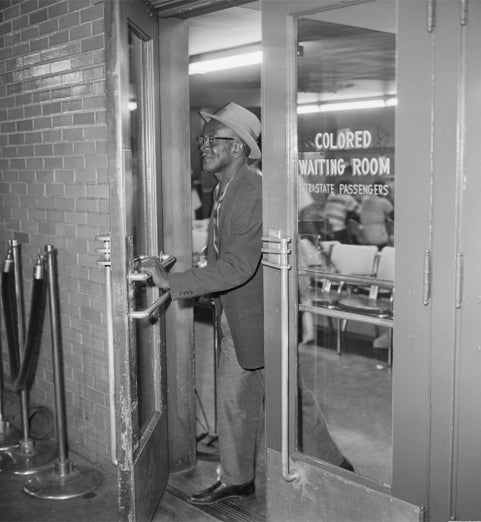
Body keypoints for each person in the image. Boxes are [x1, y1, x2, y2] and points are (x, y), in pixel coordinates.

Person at [139, 102, 352, 505]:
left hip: (262, 317)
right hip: (239, 315)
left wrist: (173, 280)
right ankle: (238, 478)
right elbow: (223, 254)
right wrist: (197, 268)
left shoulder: (251, 191)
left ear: (237, 148)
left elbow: (238, 267)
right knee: (236, 399)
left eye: (210, 140)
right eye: (202, 140)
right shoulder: (226, 188)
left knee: (290, 399)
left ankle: (336, 469)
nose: (202, 147)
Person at [358, 182, 394, 247]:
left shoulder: (365, 199)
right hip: (378, 239)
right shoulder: (383, 202)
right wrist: (390, 197)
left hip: (365, 237)